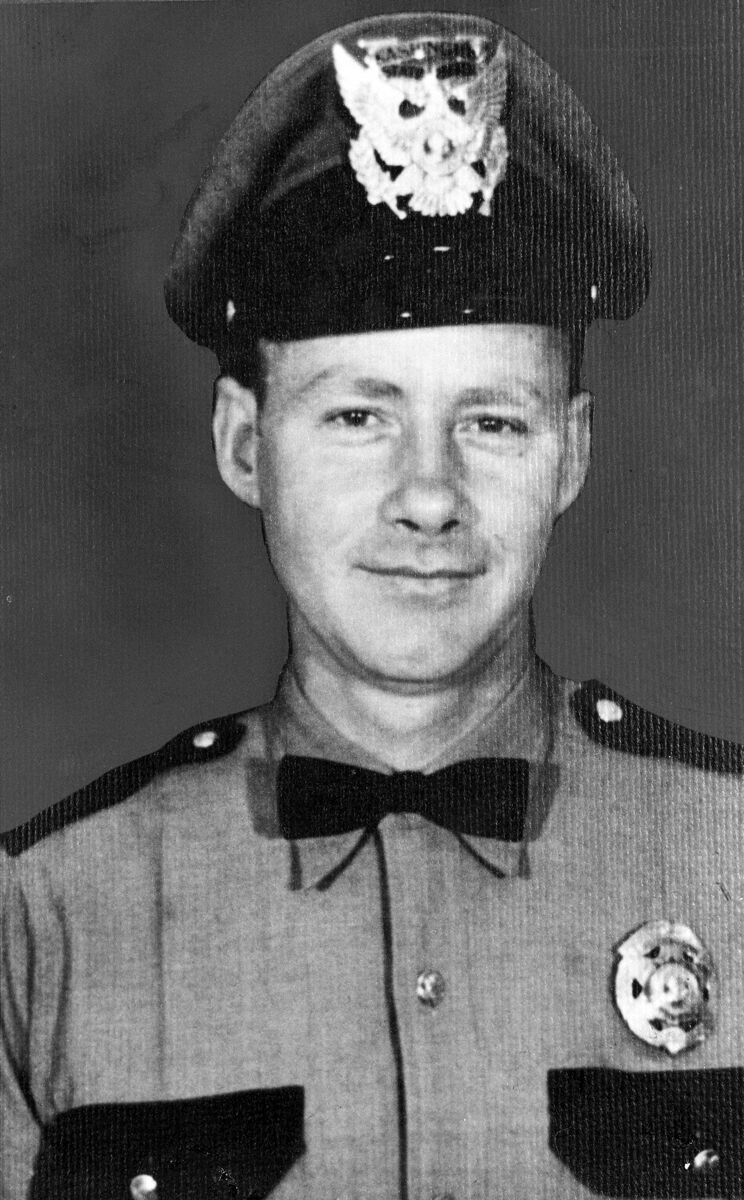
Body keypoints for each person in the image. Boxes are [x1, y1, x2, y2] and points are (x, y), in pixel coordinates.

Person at [1, 12, 742, 1200]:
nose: (431, 498)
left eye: (492, 422)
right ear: (248, 447)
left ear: (572, 456)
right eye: (359, 417)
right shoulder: (44, 924)